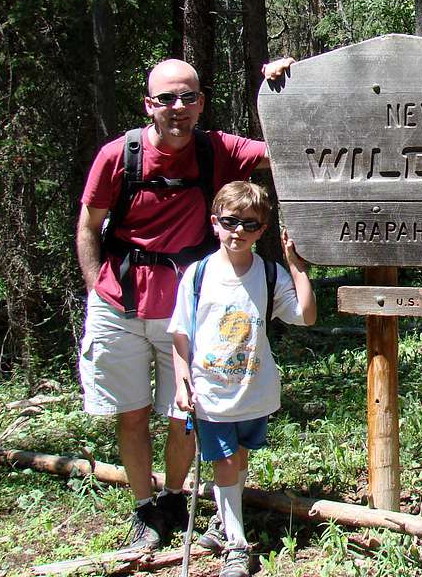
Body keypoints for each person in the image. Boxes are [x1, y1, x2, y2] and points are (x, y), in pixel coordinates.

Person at [76, 57, 290, 550]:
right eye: (167, 98)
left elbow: (286, 150)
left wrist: (281, 89)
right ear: (149, 104)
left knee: (187, 414)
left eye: (188, 97)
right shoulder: (118, 156)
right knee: (131, 413)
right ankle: (144, 509)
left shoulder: (217, 150)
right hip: (119, 304)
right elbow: (90, 227)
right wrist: (95, 290)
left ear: (201, 102)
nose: (178, 107)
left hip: (188, 313)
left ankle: (173, 496)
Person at [170, 182, 316, 577]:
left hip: (254, 389)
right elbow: (181, 332)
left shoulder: (269, 274)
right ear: (215, 222)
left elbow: (305, 315)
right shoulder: (198, 275)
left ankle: (222, 519)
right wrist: (182, 379)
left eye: (249, 225)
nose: (238, 231)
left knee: (240, 457)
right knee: (225, 460)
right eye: (230, 222)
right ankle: (236, 544)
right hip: (210, 391)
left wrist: (296, 265)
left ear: (262, 229)